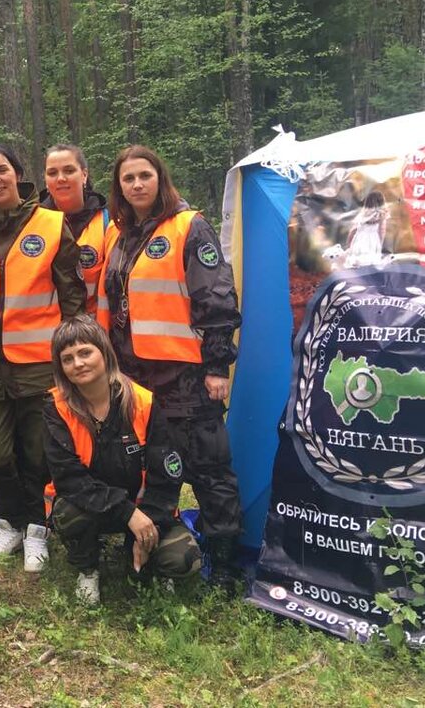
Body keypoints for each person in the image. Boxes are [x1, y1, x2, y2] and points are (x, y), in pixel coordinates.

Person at [98, 145, 243, 586]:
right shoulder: (118, 234)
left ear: (160, 178)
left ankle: (227, 566)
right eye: (128, 179)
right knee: (148, 466)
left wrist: (217, 365)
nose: (137, 184)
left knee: (208, 469)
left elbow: (217, 299)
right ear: (119, 187)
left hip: (186, 377)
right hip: (135, 378)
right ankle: (151, 550)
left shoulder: (189, 226)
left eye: (145, 175)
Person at [0, 143, 85, 572]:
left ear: (18, 174)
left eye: (1, 170)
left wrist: (68, 352)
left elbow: (72, 297)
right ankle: (10, 521)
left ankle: (38, 530)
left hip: (41, 362)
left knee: (39, 453)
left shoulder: (51, 224)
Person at [45, 315, 201, 605]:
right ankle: (87, 567)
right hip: (93, 507)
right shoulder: (57, 409)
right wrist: (128, 513)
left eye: (85, 352)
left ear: (104, 353)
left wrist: (148, 521)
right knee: (68, 512)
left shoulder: (143, 403)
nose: (78, 363)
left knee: (184, 560)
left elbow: (167, 475)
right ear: (61, 368)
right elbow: (69, 479)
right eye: (67, 359)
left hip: (144, 509)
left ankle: (142, 553)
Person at [41, 144, 109, 314]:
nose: (61, 178)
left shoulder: (108, 222)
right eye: (52, 173)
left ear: (84, 175)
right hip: (45, 331)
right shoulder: (32, 222)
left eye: (69, 171)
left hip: (95, 331)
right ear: (45, 180)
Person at [344, 190, 388, 268]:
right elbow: (382, 230)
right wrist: (380, 243)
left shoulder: (362, 214)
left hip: (359, 240)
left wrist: (348, 244)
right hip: (373, 241)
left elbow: (353, 230)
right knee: (370, 263)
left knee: (356, 262)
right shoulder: (381, 215)